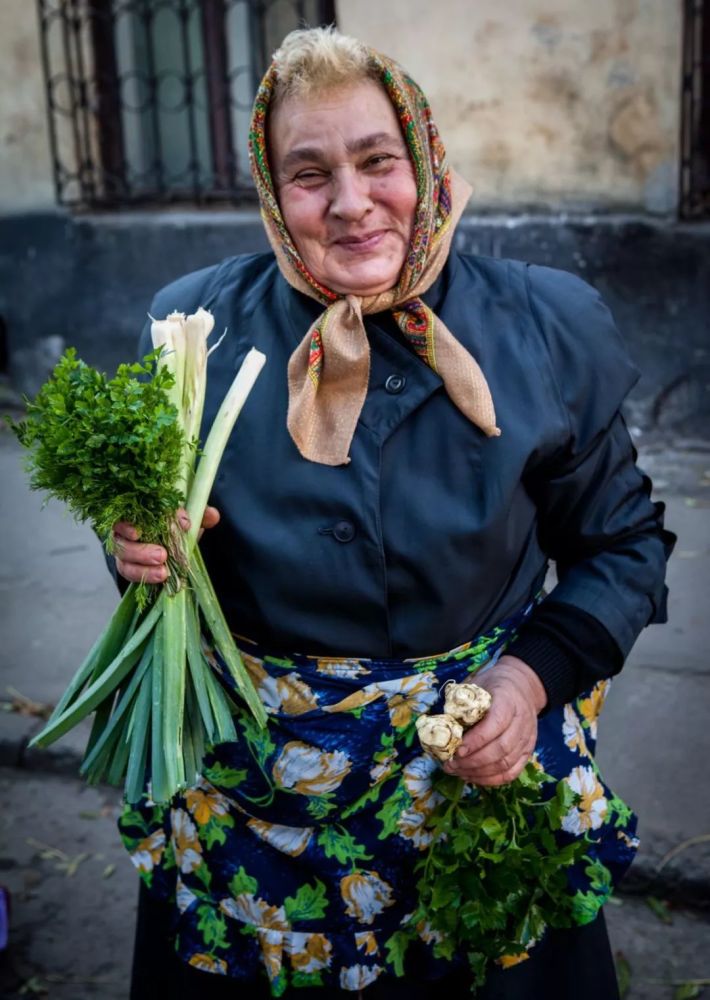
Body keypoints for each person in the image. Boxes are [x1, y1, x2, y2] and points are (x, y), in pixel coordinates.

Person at [112, 26, 674, 1000]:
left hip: (479, 788)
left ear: (424, 158)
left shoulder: (542, 324)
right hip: (257, 812)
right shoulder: (190, 334)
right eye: (307, 173)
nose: (349, 202)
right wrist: (136, 552)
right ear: (270, 195)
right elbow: (155, 559)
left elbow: (621, 546)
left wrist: (528, 683)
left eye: (378, 160)